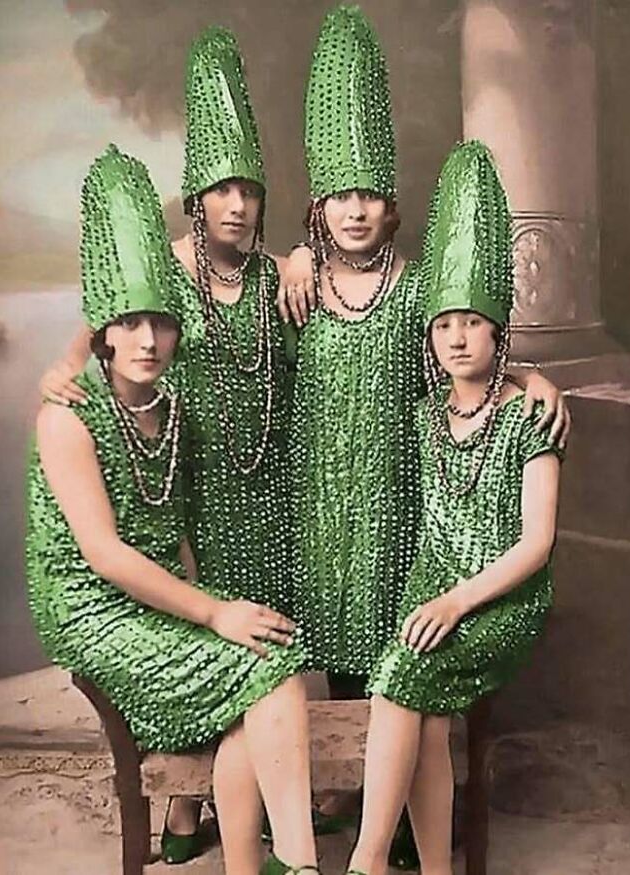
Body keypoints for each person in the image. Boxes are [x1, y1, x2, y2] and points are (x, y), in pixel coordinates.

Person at [278, 9, 569, 843]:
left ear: (392, 204)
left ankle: (404, 813)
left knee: (389, 635)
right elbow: (207, 284)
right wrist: (293, 257)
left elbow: (469, 349)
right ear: (320, 204)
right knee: (336, 637)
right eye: (341, 197)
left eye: (370, 195)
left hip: (402, 493)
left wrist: (533, 373)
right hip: (319, 499)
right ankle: (352, 791)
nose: (356, 212)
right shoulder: (298, 284)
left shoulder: (416, 291)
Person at [37, 27, 298, 860]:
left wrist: (299, 261)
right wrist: (66, 363)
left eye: (247, 189)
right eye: (217, 188)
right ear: (194, 196)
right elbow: (114, 307)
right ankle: (192, 821)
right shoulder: (159, 279)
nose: (234, 203)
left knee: (262, 644)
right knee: (232, 640)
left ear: (262, 198)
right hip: (172, 503)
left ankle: (258, 834)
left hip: (226, 480)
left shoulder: (279, 273)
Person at [348, 141, 564, 875]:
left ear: (498, 329)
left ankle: (367, 862)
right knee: (425, 709)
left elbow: (536, 544)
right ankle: (435, 867)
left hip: (502, 592)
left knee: (401, 675)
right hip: (432, 580)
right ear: (431, 337)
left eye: (473, 321)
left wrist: (458, 602)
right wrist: (435, 597)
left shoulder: (528, 418)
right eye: (445, 324)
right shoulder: (424, 415)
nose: (458, 336)